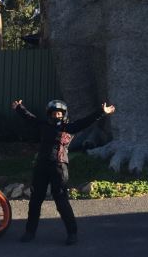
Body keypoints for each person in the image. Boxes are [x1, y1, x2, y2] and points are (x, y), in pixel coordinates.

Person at [11, 97, 116, 245]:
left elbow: (86, 121)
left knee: (61, 201)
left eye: (59, 113)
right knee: (35, 201)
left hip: (59, 167)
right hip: (41, 166)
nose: (57, 116)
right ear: (49, 114)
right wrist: (19, 109)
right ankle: (30, 232)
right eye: (54, 114)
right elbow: (30, 118)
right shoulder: (43, 125)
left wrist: (101, 112)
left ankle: (72, 233)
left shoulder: (69, 127)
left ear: (64, 114)